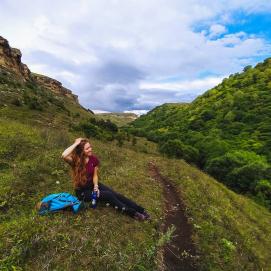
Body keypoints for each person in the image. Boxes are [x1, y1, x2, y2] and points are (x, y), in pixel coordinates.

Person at [61, 137, 151, 221]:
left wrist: (96, 186)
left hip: (93, 185)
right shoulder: (76, 161)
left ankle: (141, 210)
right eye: (87, 148)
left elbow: (95, 175)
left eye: (90, 147)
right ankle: (133, 213)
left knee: (116, 194)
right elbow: (64, 155)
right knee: (108, 195)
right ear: (81, 151)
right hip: (83, 192)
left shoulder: (93, 159)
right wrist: (76, 143)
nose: (90, 149)